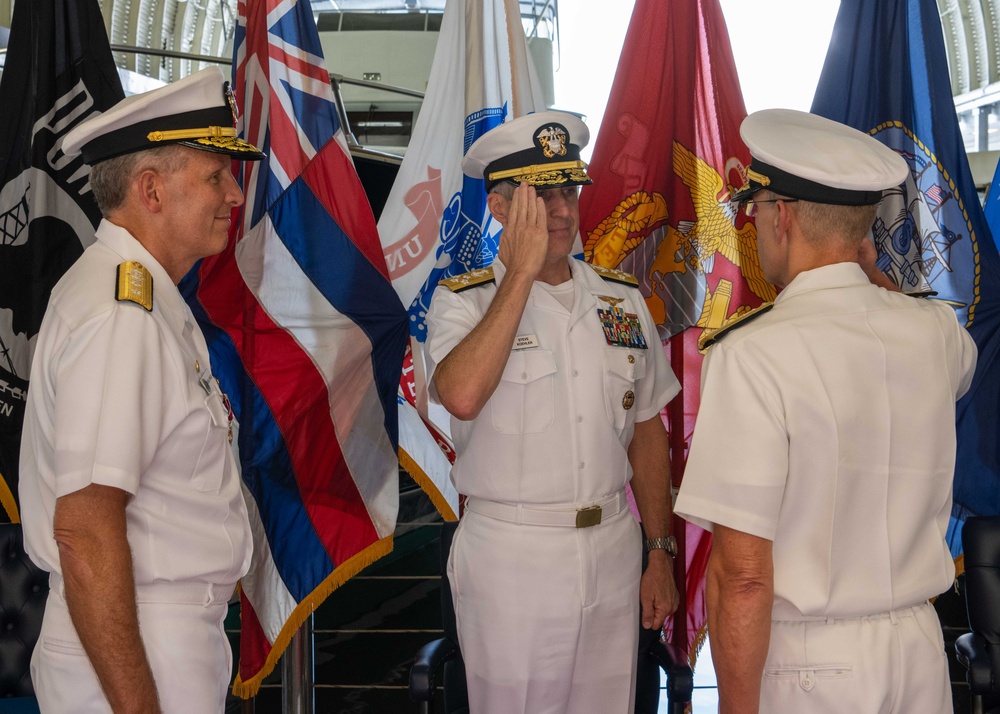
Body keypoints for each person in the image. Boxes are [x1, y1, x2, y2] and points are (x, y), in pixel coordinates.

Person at [674, 108, 978, 714]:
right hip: (920, 651)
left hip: (814, 670)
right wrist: (865, 272)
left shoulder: (754, 353)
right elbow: (954, 354)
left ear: (781, 216)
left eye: (754, 210)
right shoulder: (936, 335)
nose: (752, 227)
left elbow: (743, 577)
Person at [18, 66, 265, 713]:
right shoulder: (120, 312)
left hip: (155, 635)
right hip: (135, 646)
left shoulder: (148, 298)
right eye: (215, 176)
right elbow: (86, 532)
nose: (235, 196)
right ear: (150, 190)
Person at [424, 110, 681, 713]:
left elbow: (647, 433)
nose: (563, 212)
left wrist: (660, 551)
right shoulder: (463, 302)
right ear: (501, 207)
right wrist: (519, 275)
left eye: (569, 191)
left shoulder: (620, 299)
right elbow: (459, 394)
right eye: (543, 198)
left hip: (615, 549)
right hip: (513, 557)